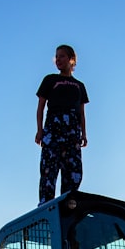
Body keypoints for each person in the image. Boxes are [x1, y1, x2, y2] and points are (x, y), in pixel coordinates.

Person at [35, 44, 88, 204]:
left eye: (62, 56)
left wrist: (84, 133)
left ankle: (69, 206)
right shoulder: (50, 80)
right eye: (56, 56)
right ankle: (45, 206)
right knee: (48, 171)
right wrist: (40, 130)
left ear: (71, 59)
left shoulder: (79, 86)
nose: (58, 59)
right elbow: (40, 107)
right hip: (53, 129)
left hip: (72, 133)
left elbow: (81, 113)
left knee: (73, 172)